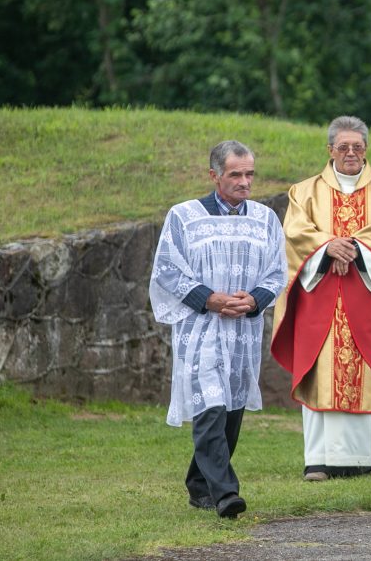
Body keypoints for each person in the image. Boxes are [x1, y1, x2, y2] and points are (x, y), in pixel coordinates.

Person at [271, 116, 371, 481]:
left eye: (358, 147)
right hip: (322, 302)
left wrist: (350, 247)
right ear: (330, 149)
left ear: (366, 149)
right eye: (343, 147)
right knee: (323, 369)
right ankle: (322, 459)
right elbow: (295, 233)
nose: (351, 153)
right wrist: (326, 247)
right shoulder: (303, 192)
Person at [150, 140, 287, 518]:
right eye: (235, 174)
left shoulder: (264, 218)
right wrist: (208, 298)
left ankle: (199, 484)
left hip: (242, 330)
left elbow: (277, 271)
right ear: (214, 176)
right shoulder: (185, 216)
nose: (245, 182)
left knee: (230, 411)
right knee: (209, 403)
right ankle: (227, 494)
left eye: (249, 174)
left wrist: (255, 299)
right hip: (201, 328)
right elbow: (166, 268)